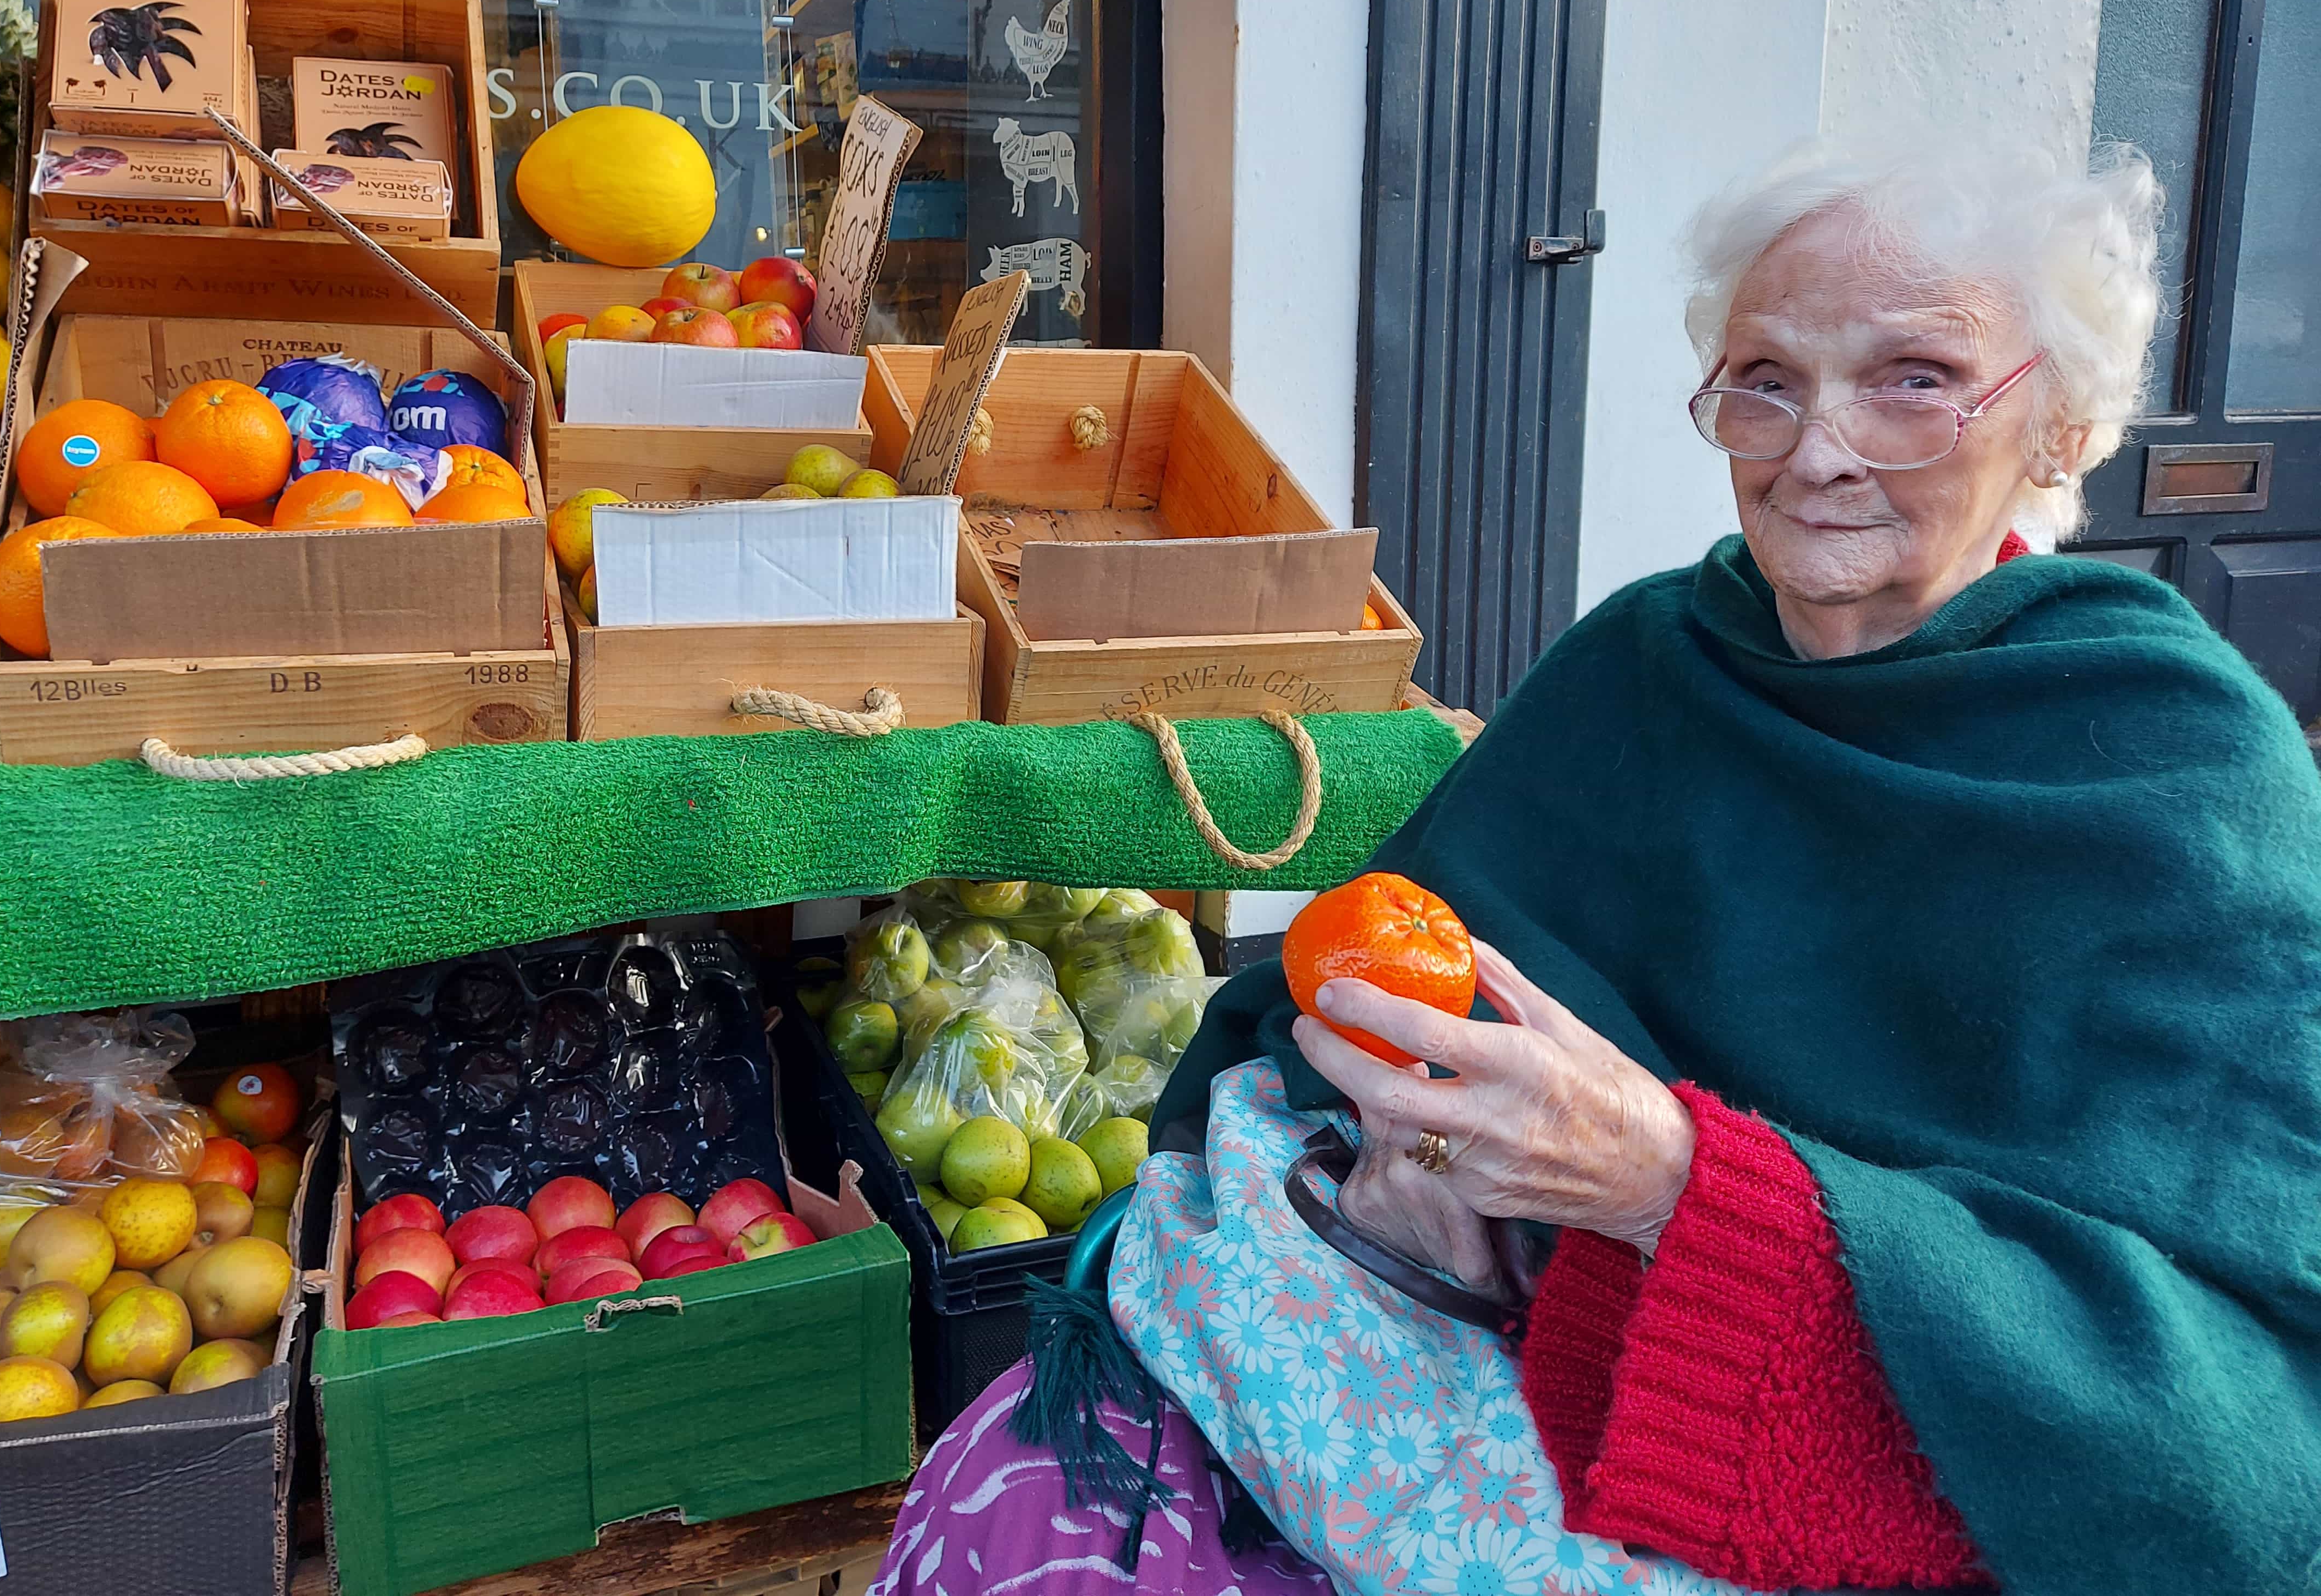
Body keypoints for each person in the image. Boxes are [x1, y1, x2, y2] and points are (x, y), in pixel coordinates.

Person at [871, 142, 2321, 1596]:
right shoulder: (1646, 661)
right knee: (1014, 1497)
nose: (1819, 449)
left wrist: (1674, 1181)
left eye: (1915, 378)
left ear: (2058, 422)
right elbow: (1353, 1007)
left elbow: (2227, 1428)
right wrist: (1404, 1153)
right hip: (1463, 1374)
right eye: (1766, 377)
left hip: (1870, 1494)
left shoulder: (2180, 767)